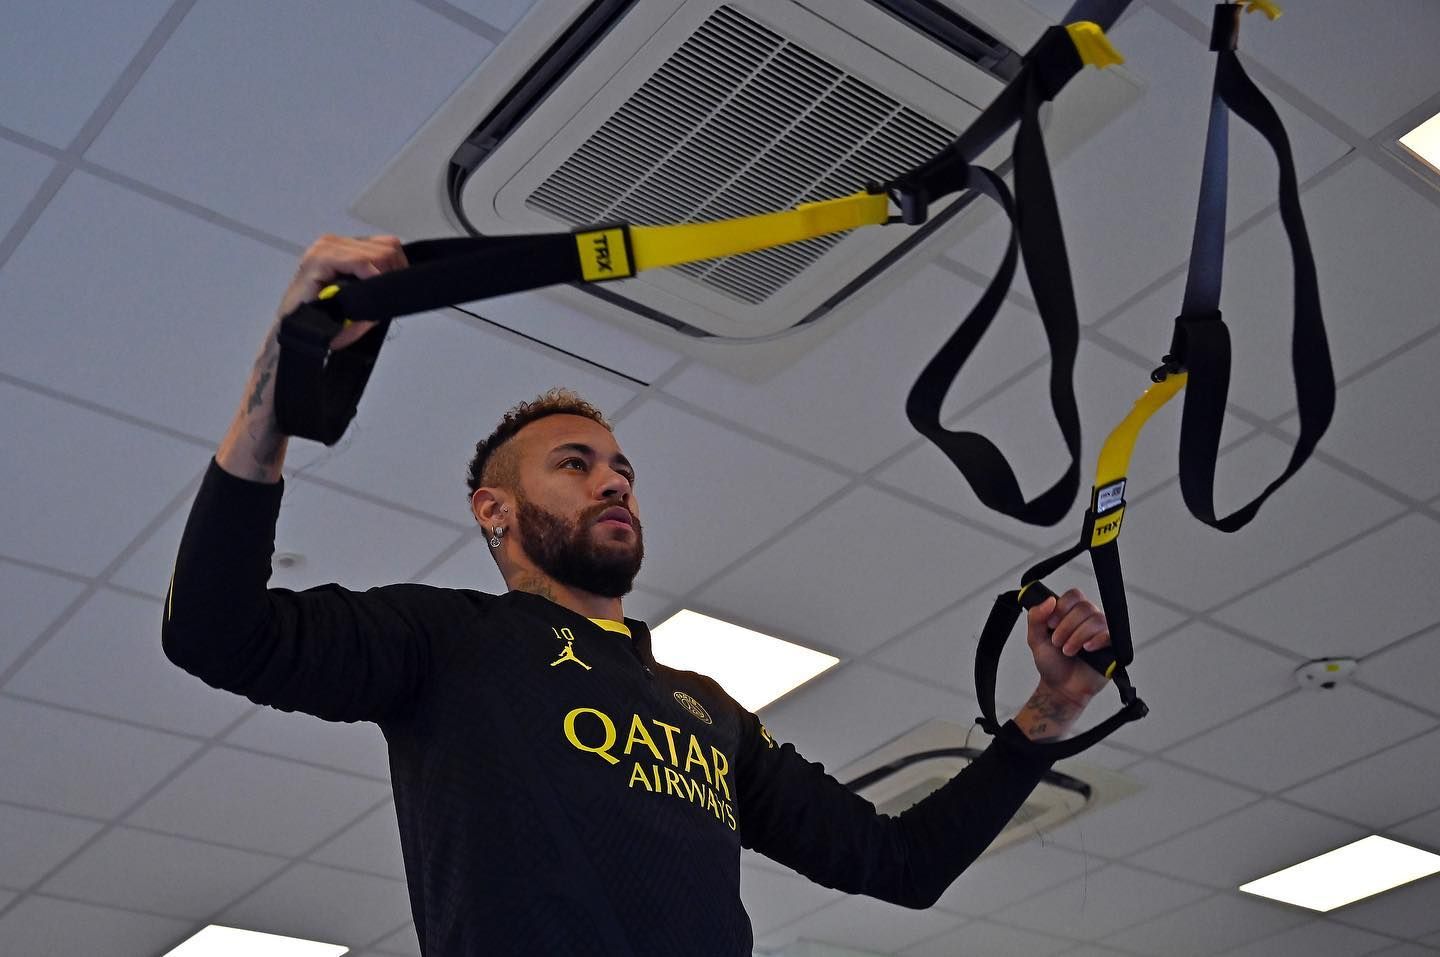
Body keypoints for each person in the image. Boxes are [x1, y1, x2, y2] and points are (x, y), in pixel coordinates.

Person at [162, 235, 1117, 956]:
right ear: (492, 510)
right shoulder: (448, 641)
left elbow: (902, 866)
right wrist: (276, 392)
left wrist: (1049, 710)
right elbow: (214, 630)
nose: (614, 482)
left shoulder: (707, 708)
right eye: (574, 465)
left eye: (620, 467)